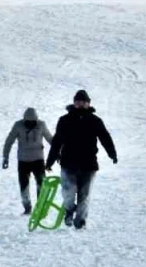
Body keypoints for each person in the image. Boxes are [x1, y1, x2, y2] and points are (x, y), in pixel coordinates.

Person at [45, 89, 117, 229]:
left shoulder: (95, 121)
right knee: (68, 192)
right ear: (74, 103)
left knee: (84, 196)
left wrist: (112, 154)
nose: (80, 103)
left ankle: (80, 222)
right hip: (68, 163)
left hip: (88, 164)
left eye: (83, 101)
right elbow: (57, 142)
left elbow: (105, 138)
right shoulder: (65, 120)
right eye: (77, 101)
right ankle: (69, 211)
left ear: (88, 103)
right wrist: (50, 161)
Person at [3, 107, 54, 214]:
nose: (31, 124)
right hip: (23, 161)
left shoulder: (41, 125)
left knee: (42, 184)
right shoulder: (18, 126)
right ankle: (27, 207)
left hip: (38, 160)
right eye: (28, 122)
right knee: (24, 185)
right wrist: (5, 157)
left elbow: (50, 139)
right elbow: (9, 141)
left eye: (33, 122)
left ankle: (40, 207)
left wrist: (59, 153)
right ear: (24, 120)